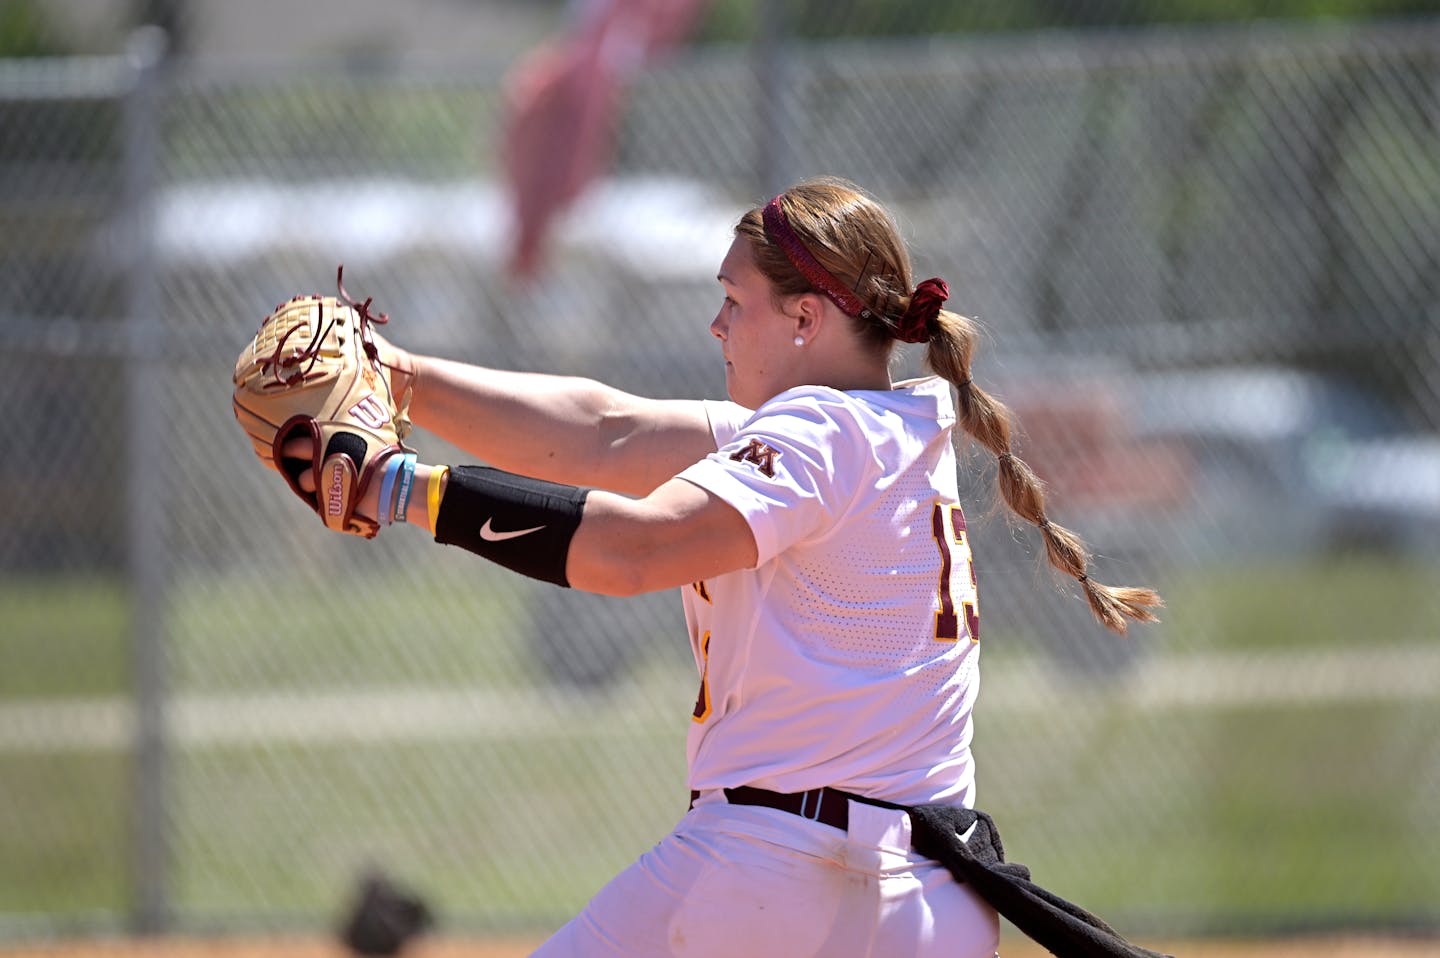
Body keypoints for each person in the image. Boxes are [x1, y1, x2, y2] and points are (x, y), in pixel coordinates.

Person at [284, 176, 1163, 957]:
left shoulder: (816, 433)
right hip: (931, 899)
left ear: (806, 317)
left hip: (778, 874)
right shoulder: (891, 433)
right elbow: (605, 431)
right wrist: (399, 378)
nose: (716, 325)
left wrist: (396, 488)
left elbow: (634, 549)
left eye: (734, 301)